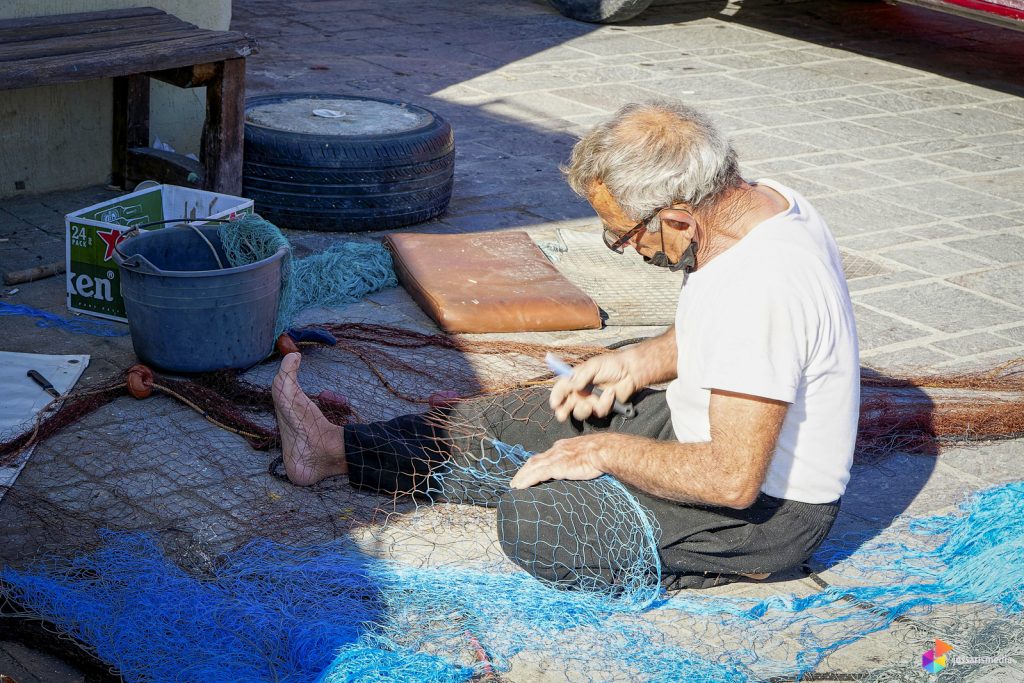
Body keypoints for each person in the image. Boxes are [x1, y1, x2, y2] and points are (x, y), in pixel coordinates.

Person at [272, 101, 859, 589]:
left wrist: (603, 454)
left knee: (535, 523)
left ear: (679, 220)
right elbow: (714, 330)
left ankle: (722, 562)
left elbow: (731, 479)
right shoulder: (756, 204)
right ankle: (331, 449)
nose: (624, 247)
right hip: (703, 433)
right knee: (531, 413)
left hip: (761, 515)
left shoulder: (763, 290)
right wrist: (639, 360)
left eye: (623, 235)